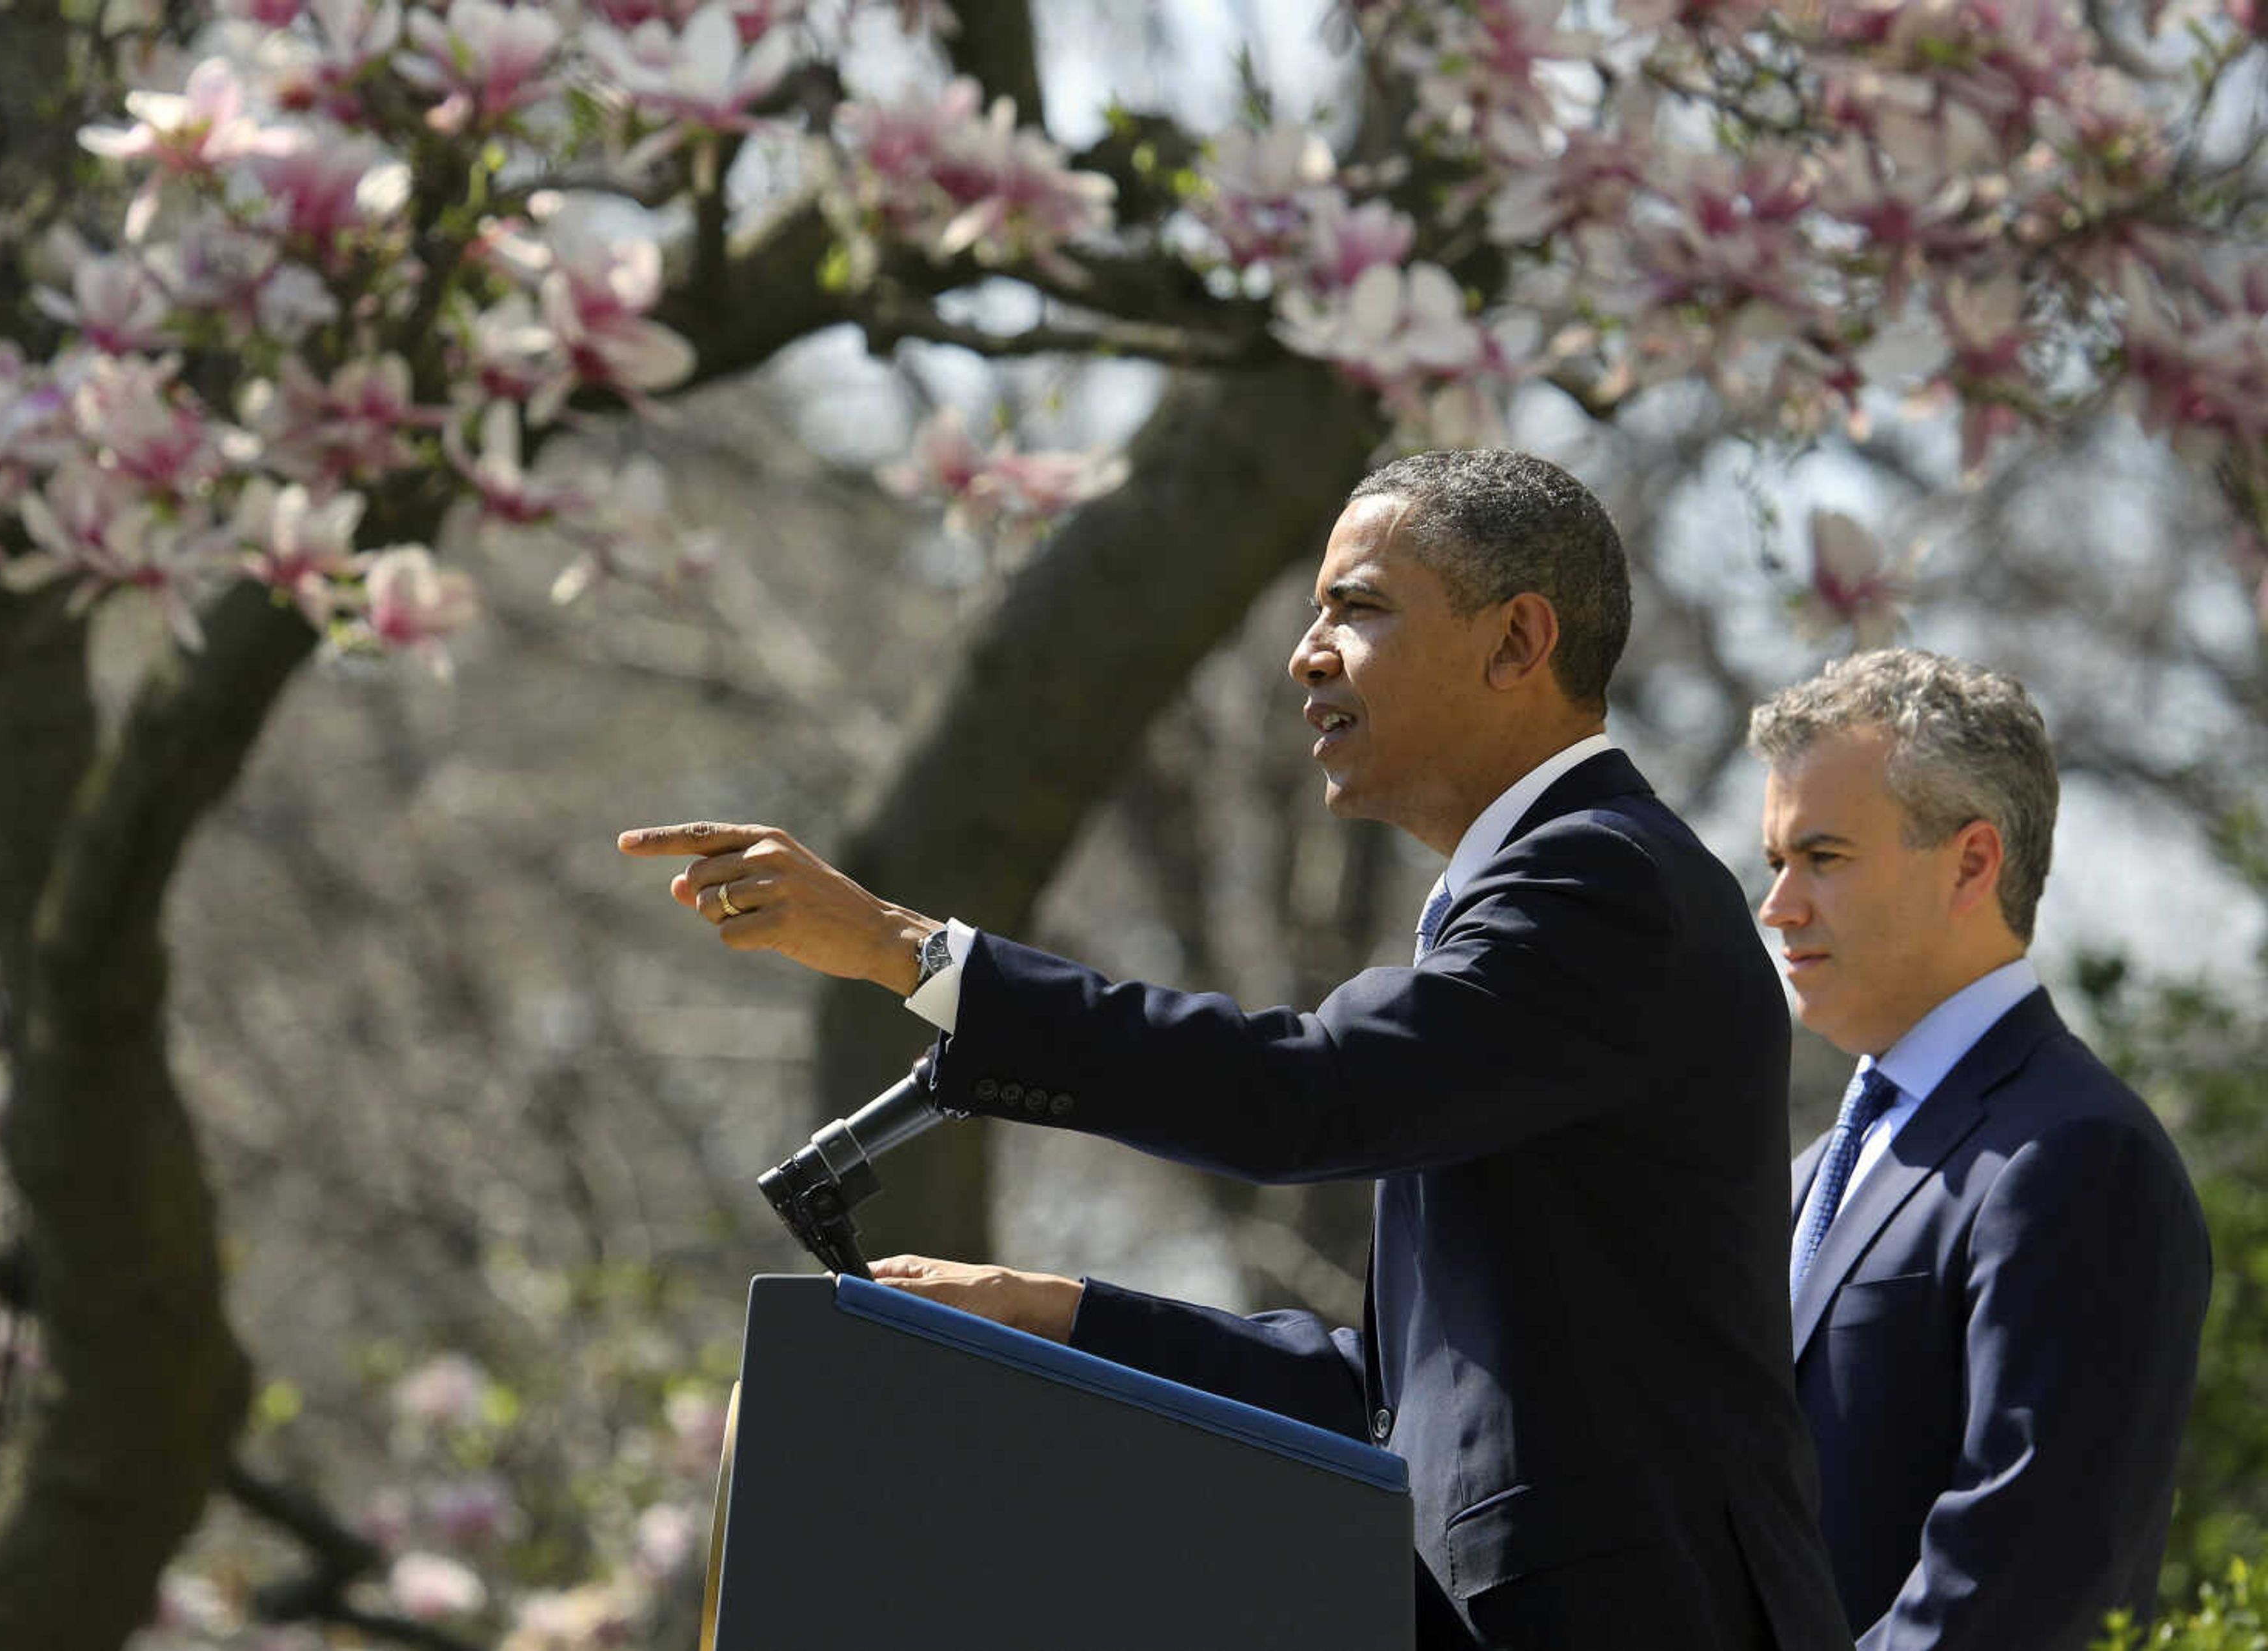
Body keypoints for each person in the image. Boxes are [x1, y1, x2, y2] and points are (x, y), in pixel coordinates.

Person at [624, 449, 1850, 1651]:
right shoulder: (1563, 890)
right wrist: (1053, 1311)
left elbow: (1308, 1094)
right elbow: (1392, 1391)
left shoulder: (1598, 879)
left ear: (1519, 642)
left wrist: (911, 951)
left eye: (1357, 609)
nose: (1305, 654)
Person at [1749, 648, 2212, 1651]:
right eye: (1775, 861)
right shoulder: (1815, 1172)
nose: (1778, 905)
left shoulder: (2077, 1157)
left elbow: (2019, 1584)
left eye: (1822, 858)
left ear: (1971, 863)